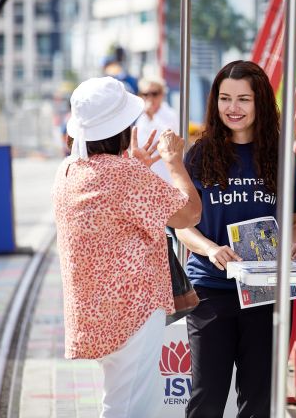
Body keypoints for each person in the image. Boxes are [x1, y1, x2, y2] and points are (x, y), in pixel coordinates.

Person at [51, 77, 201, 418]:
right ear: (121, 129)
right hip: (133, 312)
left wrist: (135, 168)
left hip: (94, 314)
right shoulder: (124, 176)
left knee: (118, 402)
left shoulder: (68, 171)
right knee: (130, 408)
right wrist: (175, 163)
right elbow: (189, 213)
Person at [174, 60, 296, 418]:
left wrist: (292, 243)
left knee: (259, 398)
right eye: (225, 98)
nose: (232, 108)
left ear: (260, 102)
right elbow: (183, 226)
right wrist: (211, 249)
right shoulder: (200, 155)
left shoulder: (281, 157)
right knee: (207, 397)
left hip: (266, 291)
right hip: (211, 289)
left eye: (243, 99)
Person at [135, 74, 179, 183]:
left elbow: (169, 138)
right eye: (145, 94)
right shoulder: (141, 117)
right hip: (146, 174)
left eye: (154, 94)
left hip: (166, 174)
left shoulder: (170, 114)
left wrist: (152, 115)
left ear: (162, 94)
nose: (149, 98)